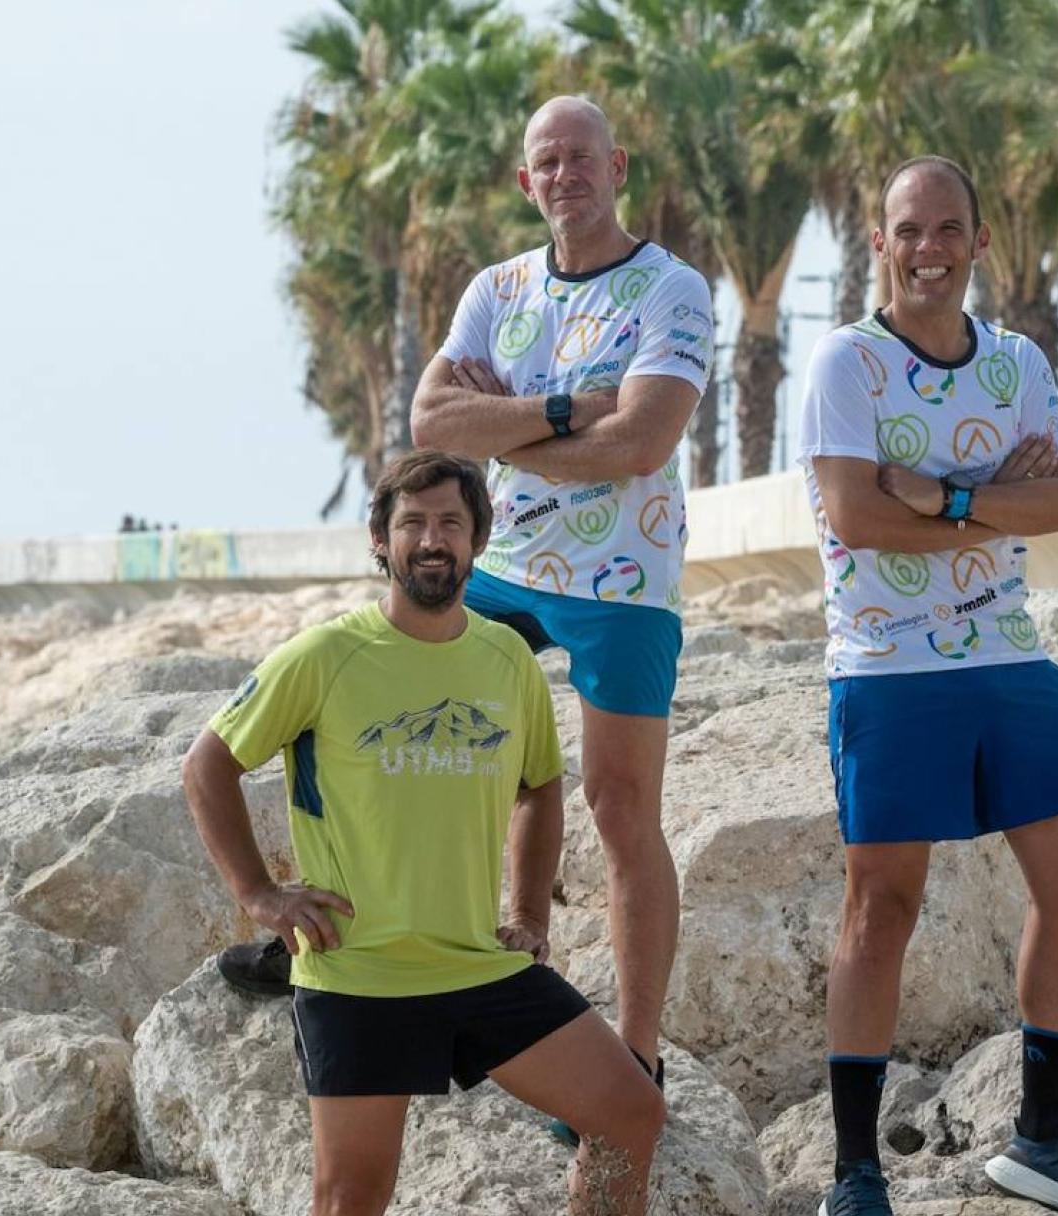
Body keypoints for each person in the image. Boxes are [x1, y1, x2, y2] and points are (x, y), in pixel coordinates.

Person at [216, 97, 714, 1097]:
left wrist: (509, 429)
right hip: (502, 563)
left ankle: (637, 1049)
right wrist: (572, 409)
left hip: (626, 580)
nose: (565, 174)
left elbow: (644, 444)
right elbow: (432, 419)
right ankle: (325, 928)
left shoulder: (674, 289)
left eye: (582, 157)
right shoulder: (500, 288)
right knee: (384, 721)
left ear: (616, 167)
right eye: (546, 162)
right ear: (526, 183)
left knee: (620, 807)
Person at [181, 451, 662, 1215]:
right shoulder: (324, 656)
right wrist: (259, 895)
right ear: (381, 541)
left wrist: (532, 916)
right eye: (413, 524)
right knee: (351, 1199)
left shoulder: (507, 658)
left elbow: (539, 786)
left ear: (478, 541)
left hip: (479, 967)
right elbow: (208, 766)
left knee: (632, 1113)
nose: (431, 540)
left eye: (450, 523)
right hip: (360, 975)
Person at [798, 155, 1058, 1216]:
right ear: (880, 243)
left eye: (949, 229)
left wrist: (947, 498)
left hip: (1006, 651)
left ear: (979, 242)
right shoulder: (847, 365)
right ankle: (855, 1174)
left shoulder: (1017, 364)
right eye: (910, 231)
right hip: (888, 663)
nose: (929, 250)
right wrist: (1003, 498)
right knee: (883, 904)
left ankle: (1044, 1137)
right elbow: (854, 517)